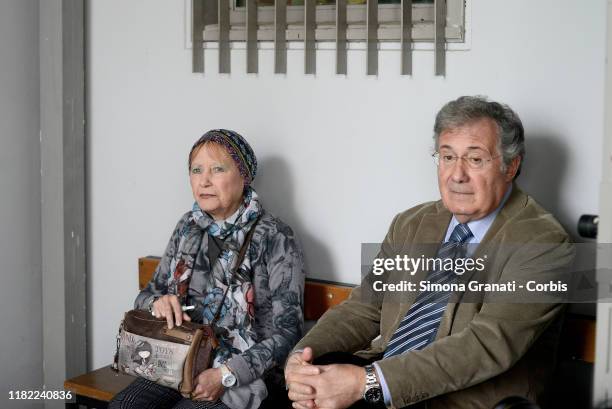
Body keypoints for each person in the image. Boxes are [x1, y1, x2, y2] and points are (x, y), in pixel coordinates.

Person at [285, 96, 574, 409]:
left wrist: (365, 382)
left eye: (475, 160)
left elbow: (485, 345)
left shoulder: (544, 243)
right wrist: (301, 360)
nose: (457, 174)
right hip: (380, 386)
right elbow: (365, 308)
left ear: (511, 166)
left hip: (465, 401)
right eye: (447, 157)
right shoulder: (411, 224)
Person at [110, 129, 305, 409]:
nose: (204, 180)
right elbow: (147, 296)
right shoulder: (188, 226)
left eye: (217, 169)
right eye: (196, 170)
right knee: (123, 407)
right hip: (176, 360)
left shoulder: (276, 236)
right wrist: (158, 303)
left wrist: (225, 375)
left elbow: (289, 333)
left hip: (240, 373)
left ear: (244, 176)